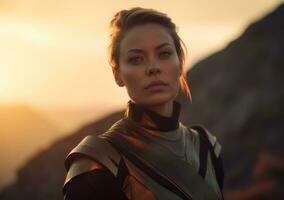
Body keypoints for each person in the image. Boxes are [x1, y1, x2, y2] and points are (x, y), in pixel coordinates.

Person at [63, 7, 224, 200]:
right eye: (136, 59)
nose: (153, 68)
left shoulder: (206, 147)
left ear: (180, 63)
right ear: (117, 74)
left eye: (164, 54)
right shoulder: (98, 163)